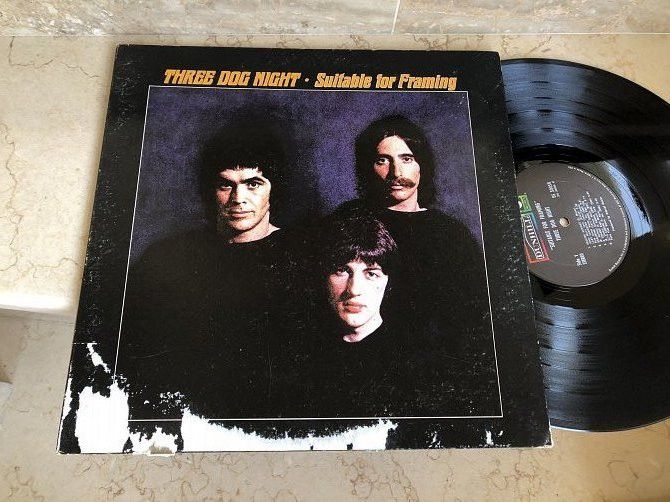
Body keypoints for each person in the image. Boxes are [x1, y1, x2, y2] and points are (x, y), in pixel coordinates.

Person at [118, 121, 293, 421]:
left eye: (253, 184)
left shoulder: (302, 254)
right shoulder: (167, 256)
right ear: (211, 190)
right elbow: (131, 349)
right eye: (226, 185)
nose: (238, 199)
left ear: (273, 189)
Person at [348, 115, 500, 415]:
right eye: (382, 160)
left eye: (406, 159)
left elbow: (477, 319)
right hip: (364, 369)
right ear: (368, 167)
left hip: (436, 375)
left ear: (422, 165)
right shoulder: (348, 222)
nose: (396, 172)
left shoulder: (451, 234)